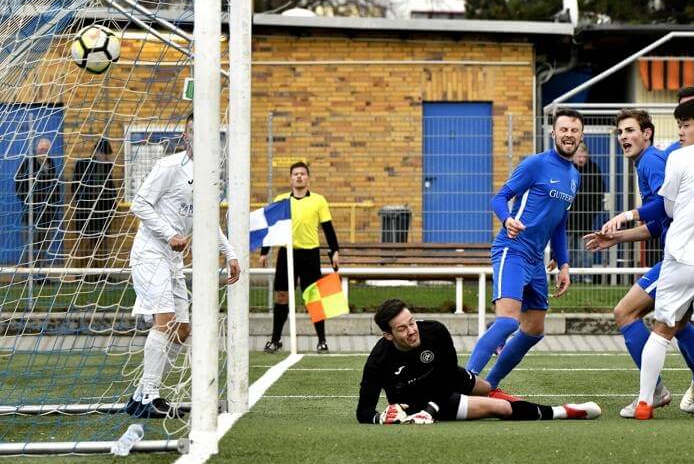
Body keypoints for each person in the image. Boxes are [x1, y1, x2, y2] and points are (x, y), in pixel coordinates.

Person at [609, 97, 694, 421]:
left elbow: (667, 207)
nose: (681, 132)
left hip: (683, 256)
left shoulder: (680, 159)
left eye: (686, 125)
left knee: (662, 328)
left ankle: (646, 402)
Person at [586, 106, 694, 418]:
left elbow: (662, 205)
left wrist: (626, 215)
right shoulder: (647, 162)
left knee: (625, 312)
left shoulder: (652, 161)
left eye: (630, 131)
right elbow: (659, 223)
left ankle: (656, 391)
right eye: (619, 132)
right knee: (679, 322)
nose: (623, 137)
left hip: (682, 258)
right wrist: (617, 237)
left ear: (647, 134)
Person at [124, 113, 241, 418]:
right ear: (185, 135)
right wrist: (169, 234)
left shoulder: (210, 174)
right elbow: (139, 204)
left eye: (200, 132)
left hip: (173, 261)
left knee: (182, 331)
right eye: (190, 132)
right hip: (150, 254)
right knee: (164, 321)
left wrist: (230, 254)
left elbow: (208, 222)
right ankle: (149, 395)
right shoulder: (169, 166)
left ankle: (140, 394)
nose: (194, 137)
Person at [464, 108, 581, 395]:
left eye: (574, 130)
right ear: (553, 133)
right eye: (563, 129)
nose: (569, 135)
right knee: (506, 321)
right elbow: (500, 197)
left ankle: (490, 385)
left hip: (536, 260)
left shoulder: (574, 175)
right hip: (512, 250)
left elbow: (559, 222)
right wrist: (507, 219)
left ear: (581, 135)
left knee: (533, 330)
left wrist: (564, 264)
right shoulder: (535, 164)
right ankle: (463, 381)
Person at [357, 299, 601, 424]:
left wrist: (433, 408)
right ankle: (563, 411)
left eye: (412, 322)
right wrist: (381, 417)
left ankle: (514, 402)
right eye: (402, 328)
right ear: (388, 335)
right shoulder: (378, 361)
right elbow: (364, 411)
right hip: (417, 404)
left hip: (445, 381)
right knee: (501, 409)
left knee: (487, 388)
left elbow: (448, 378)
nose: (412, 331)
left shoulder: (435, 331)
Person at [260, 161, 341, 354]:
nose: (299, 177)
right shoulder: (281, 200)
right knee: (281, 296)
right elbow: (272, 227)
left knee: (314, 298)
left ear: (308, 178)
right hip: (287, 254)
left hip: (310, 255)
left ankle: (322, 341)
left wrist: (334, 251)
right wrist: (264, 252)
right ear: (290, 178)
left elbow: (328, 228)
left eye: (302, 174)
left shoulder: (318, 201)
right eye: (295, 174)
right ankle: (275, 340)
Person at [15, 137, 62, 264]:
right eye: (41, 149)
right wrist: (31, 201)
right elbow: (19, 186)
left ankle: (40, 275)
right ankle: (28, 276)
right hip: (32, 214)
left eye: (46, 149)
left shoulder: (50, 164)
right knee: (31, 246)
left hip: (48, 215)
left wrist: (53, 204)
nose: (44, 151)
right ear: (36, 149)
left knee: (43, 246)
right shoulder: (28, 163)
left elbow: (55, 187)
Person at [72, 139, 116, 261]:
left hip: (102, 213)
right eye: (105, 154)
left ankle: (100, 274)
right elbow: (75, 189)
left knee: (101, 244)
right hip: (86, 212)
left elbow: (110, 187)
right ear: (97, 152)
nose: (106, 157)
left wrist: (112, 204)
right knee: (85, 243)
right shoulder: (82, 165)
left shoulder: (107, 167)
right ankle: (84, 275)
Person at [567, 141, 605, 275]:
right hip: (569, 217)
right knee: (569, 247)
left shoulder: (593, 168)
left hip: (587, 216)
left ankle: (586, 276)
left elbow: (600, 191)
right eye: (579, 156)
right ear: (573, 156)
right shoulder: (568, 169)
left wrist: (594, 210)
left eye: (584, 156)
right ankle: (570, 275)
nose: (582, 159)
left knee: (586, 247)